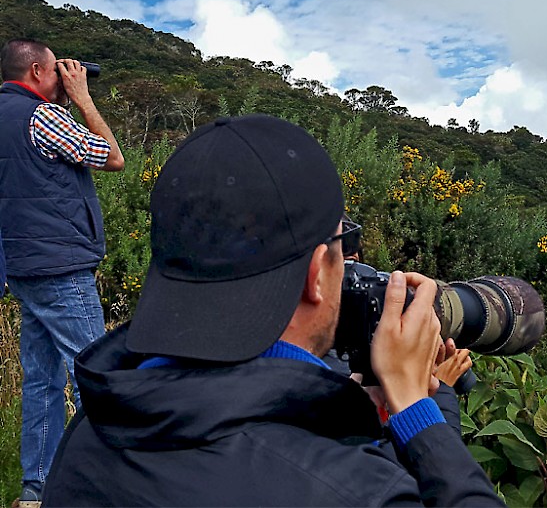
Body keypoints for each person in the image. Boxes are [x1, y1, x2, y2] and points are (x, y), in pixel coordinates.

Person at [42, 114, 504, 507]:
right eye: (344, 246)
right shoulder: (355, 491)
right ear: (316, 274)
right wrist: (420, 408)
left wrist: (335, 407)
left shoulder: (91, 431)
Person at [0, 39, 124, 507]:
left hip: (22, 268)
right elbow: (112, 158)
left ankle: (37, 488)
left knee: (40, 379)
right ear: (36, 71)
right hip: (61, 266)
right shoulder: (42, 117)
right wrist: (83, 98)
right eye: (59, 70)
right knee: (94, 372)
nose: (66, 77)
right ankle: (106, 483)